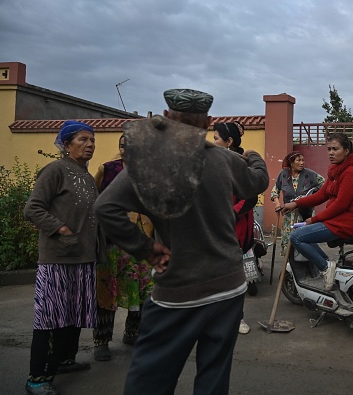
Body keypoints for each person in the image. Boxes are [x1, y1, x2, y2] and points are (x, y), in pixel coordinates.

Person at [94, 89, 269, 395]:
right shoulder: (224, 160)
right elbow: (259, 180)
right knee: (214, 376)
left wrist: (146, 249)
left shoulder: (149, 164)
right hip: (229, 287)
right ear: (208, 123)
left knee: (151, 378)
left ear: (169, 117)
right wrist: (252, 154)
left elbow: (105, 208)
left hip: (179, 291)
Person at [23, 120, 103, 395]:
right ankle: (37, 378)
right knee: (51, 316)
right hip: (58, 256)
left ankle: (65, 360)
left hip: (82, 256)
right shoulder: (55, 170)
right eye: (83, 140)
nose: (90, 144)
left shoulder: (86, 176)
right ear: (67, 145)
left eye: (92, 140)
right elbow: (32, 208)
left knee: (74, 313)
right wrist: (60, 227)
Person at [92, 134, 155, 361]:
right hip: (113, 242)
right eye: (122, 146)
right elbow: (96, 203)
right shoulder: (108, 170)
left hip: (143, 240)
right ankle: (101, 341)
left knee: (142, 291)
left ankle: (132, 332)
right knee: (108, 291)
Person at [282, 132, 353, 291]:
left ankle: (326, 267)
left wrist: (314, 220)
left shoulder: (351, 173)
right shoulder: (336, 171)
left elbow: (340, 205)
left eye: (335, 149)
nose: (331, 153)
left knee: (296, 236)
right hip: (335, 220)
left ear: (347, 150)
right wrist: (295, 203)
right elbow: (321, 195)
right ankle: (329, 266)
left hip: (345, 223)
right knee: (305, 235)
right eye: (328, 149)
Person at [213, 121, 257, 335]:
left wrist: (229, 214)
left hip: (236, 227)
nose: (213, 143)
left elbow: (250, 197)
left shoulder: (243, 163)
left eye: (216, 139)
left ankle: (237, 318)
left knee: (235, 276)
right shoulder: (215, 162)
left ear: (229, 141)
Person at [270, 151, 325, 255]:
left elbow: (324, 184)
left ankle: (309, 263)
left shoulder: (309, 174)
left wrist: (313, 194)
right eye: (298, 160)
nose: (302, 163)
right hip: (289, 215)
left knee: (305, 240)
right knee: (289, 240)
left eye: (303, 160)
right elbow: (275, 190)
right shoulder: (283, 174)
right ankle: (288, 266)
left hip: (305, 214)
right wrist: (277, 203)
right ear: (291, 162)